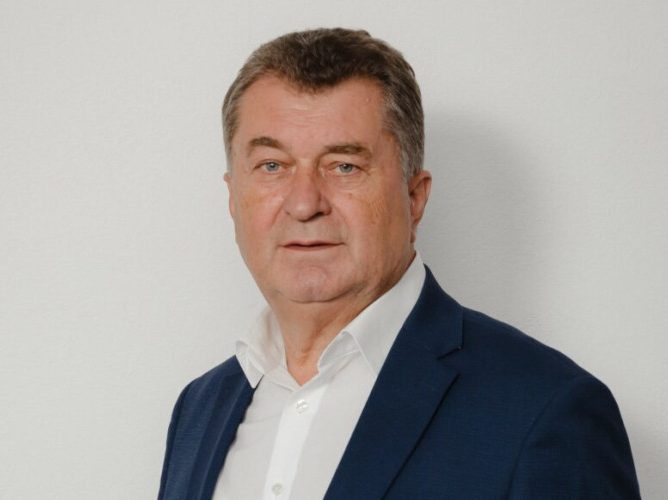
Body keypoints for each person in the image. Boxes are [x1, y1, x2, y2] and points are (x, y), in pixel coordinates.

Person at [158, 28, 640, 500]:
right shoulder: (200, 409)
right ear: (233, 197)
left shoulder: (544, 411)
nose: (304, 204)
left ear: (414, 197)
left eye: (344, 166)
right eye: (272, 166)